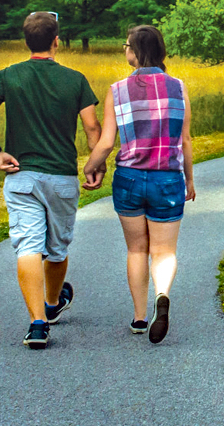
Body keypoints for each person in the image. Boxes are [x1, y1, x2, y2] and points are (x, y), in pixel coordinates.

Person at [0, 11, 103, 350]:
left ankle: (37, 324)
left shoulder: (8, 76)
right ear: (56, 41)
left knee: (28, 245)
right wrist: (95, 162)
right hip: (61, 176)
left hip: (21, 176)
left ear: (26, 41)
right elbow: (92, 127)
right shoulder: (75, 80)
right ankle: (51, 303)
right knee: (57, 248)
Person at [83, 25, 195, 344]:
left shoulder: (117, 90)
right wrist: (189, 178)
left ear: (134, 51)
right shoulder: (178, 87)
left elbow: (105, 143)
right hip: (167, 178)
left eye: (125, 46)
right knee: (163, 251)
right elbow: (185, 139)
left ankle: (139, 317)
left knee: (136, 249)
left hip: (130, 178)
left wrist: (91, 168)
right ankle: (162, 295)